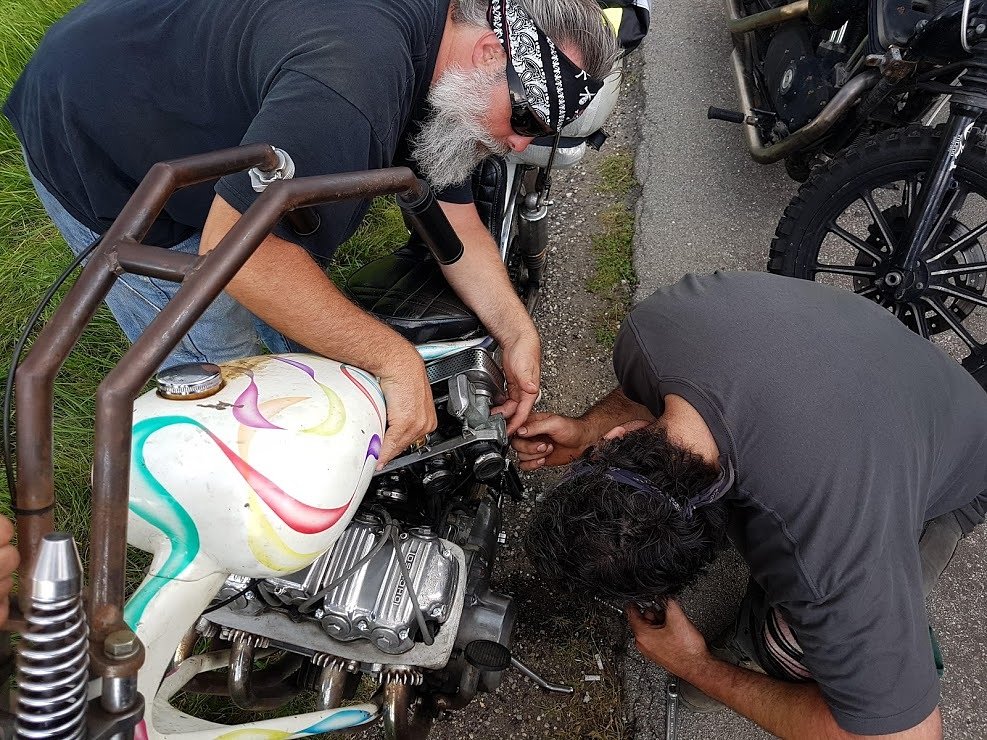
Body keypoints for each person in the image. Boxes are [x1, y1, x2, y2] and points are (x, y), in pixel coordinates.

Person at [3, 0, 619, 465]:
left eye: (539, 138)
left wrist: (516, 329)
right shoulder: (355, 76)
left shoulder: (441, 51)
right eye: (527, 120)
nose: (518, 144)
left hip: (182, 76)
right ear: (489, 52)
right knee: (237, 397)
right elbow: (236, 254)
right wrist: (393, 358)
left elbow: (451, 214)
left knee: (301, 339)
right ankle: (248, 561)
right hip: (97, 127)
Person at [512, 271, 987, 738]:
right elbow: (660, 395)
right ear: (618, 438)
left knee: (798, 643)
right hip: (891, 376)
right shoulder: (651, 331)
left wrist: (697, 666)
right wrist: (585, 431)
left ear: (719, 535)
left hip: (956, 472)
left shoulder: (826, 552)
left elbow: (906, 736)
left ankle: (774, 644)